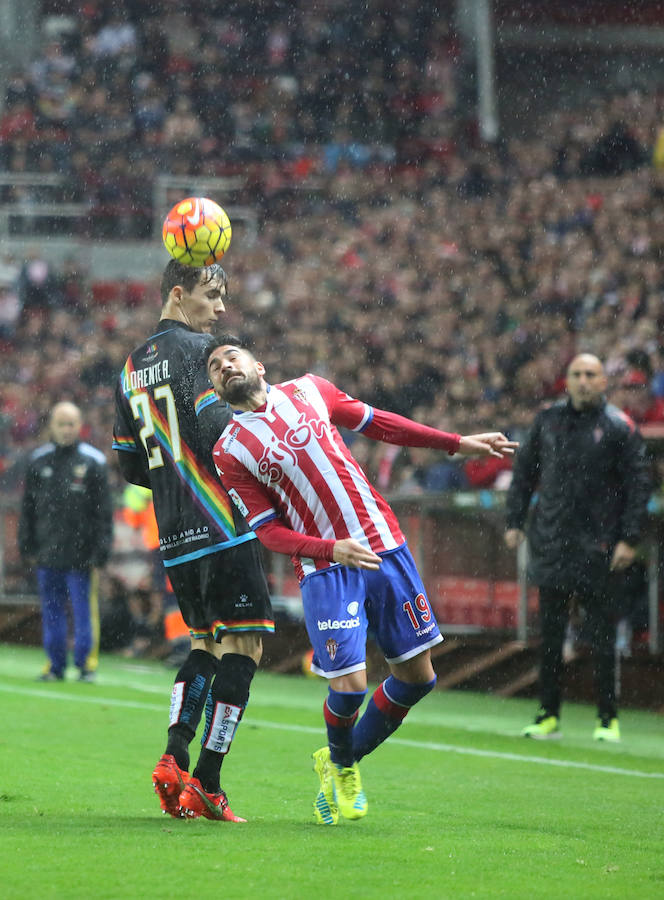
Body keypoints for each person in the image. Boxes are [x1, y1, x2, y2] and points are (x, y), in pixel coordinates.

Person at [205, 334, 517, 825]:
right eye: (214, 367)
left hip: (384, 545)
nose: (224, 366)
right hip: (327, 567)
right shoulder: (230, 450)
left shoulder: (311, 389)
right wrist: (331, 548)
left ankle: (336, 760)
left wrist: (455, 444)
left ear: (258, 365)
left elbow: (381, 425)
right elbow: (268, 532)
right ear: (215, 389)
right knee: (350, 686)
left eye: (231, 357)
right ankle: (344, 765)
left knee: (418, 677)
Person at [112, 260, 273, 823]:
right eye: (212, 295)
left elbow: (131, 463)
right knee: (245, 647)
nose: (220, 309)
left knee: (203, 644)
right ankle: (207, 780)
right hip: (224, 522)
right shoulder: (199, 351)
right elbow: (212, 431)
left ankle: (173, 756)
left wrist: (171, 480)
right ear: (179, 296)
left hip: (176, 535)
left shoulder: (130, 367)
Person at [504, 353, 651, 742]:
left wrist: (629, 538)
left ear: (604, 382)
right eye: (576, 374)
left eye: (591, 374)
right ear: (566, 380)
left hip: (600, 546)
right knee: (550, 634)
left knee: (602, 633)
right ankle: (548, 713)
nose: (583, 381)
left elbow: (639, 486)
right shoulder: (548, 420)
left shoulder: (619, 427)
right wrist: (514, 521)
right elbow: (524, 472)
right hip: (552, 541)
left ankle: (608, 718)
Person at [19, 401, 112, 682]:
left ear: (79, 425)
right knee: (52, 611)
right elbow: (28, 510)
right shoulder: (38, 461)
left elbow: (103, 513)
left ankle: (86, 666)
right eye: (61, 423)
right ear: (52, 426)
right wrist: (27, 546)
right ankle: (55, 665)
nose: (66, 429)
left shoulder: (94, 462)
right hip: (47, 553)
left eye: (71, 423)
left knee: (84, 612)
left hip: (82, 555)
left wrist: (101, 551)